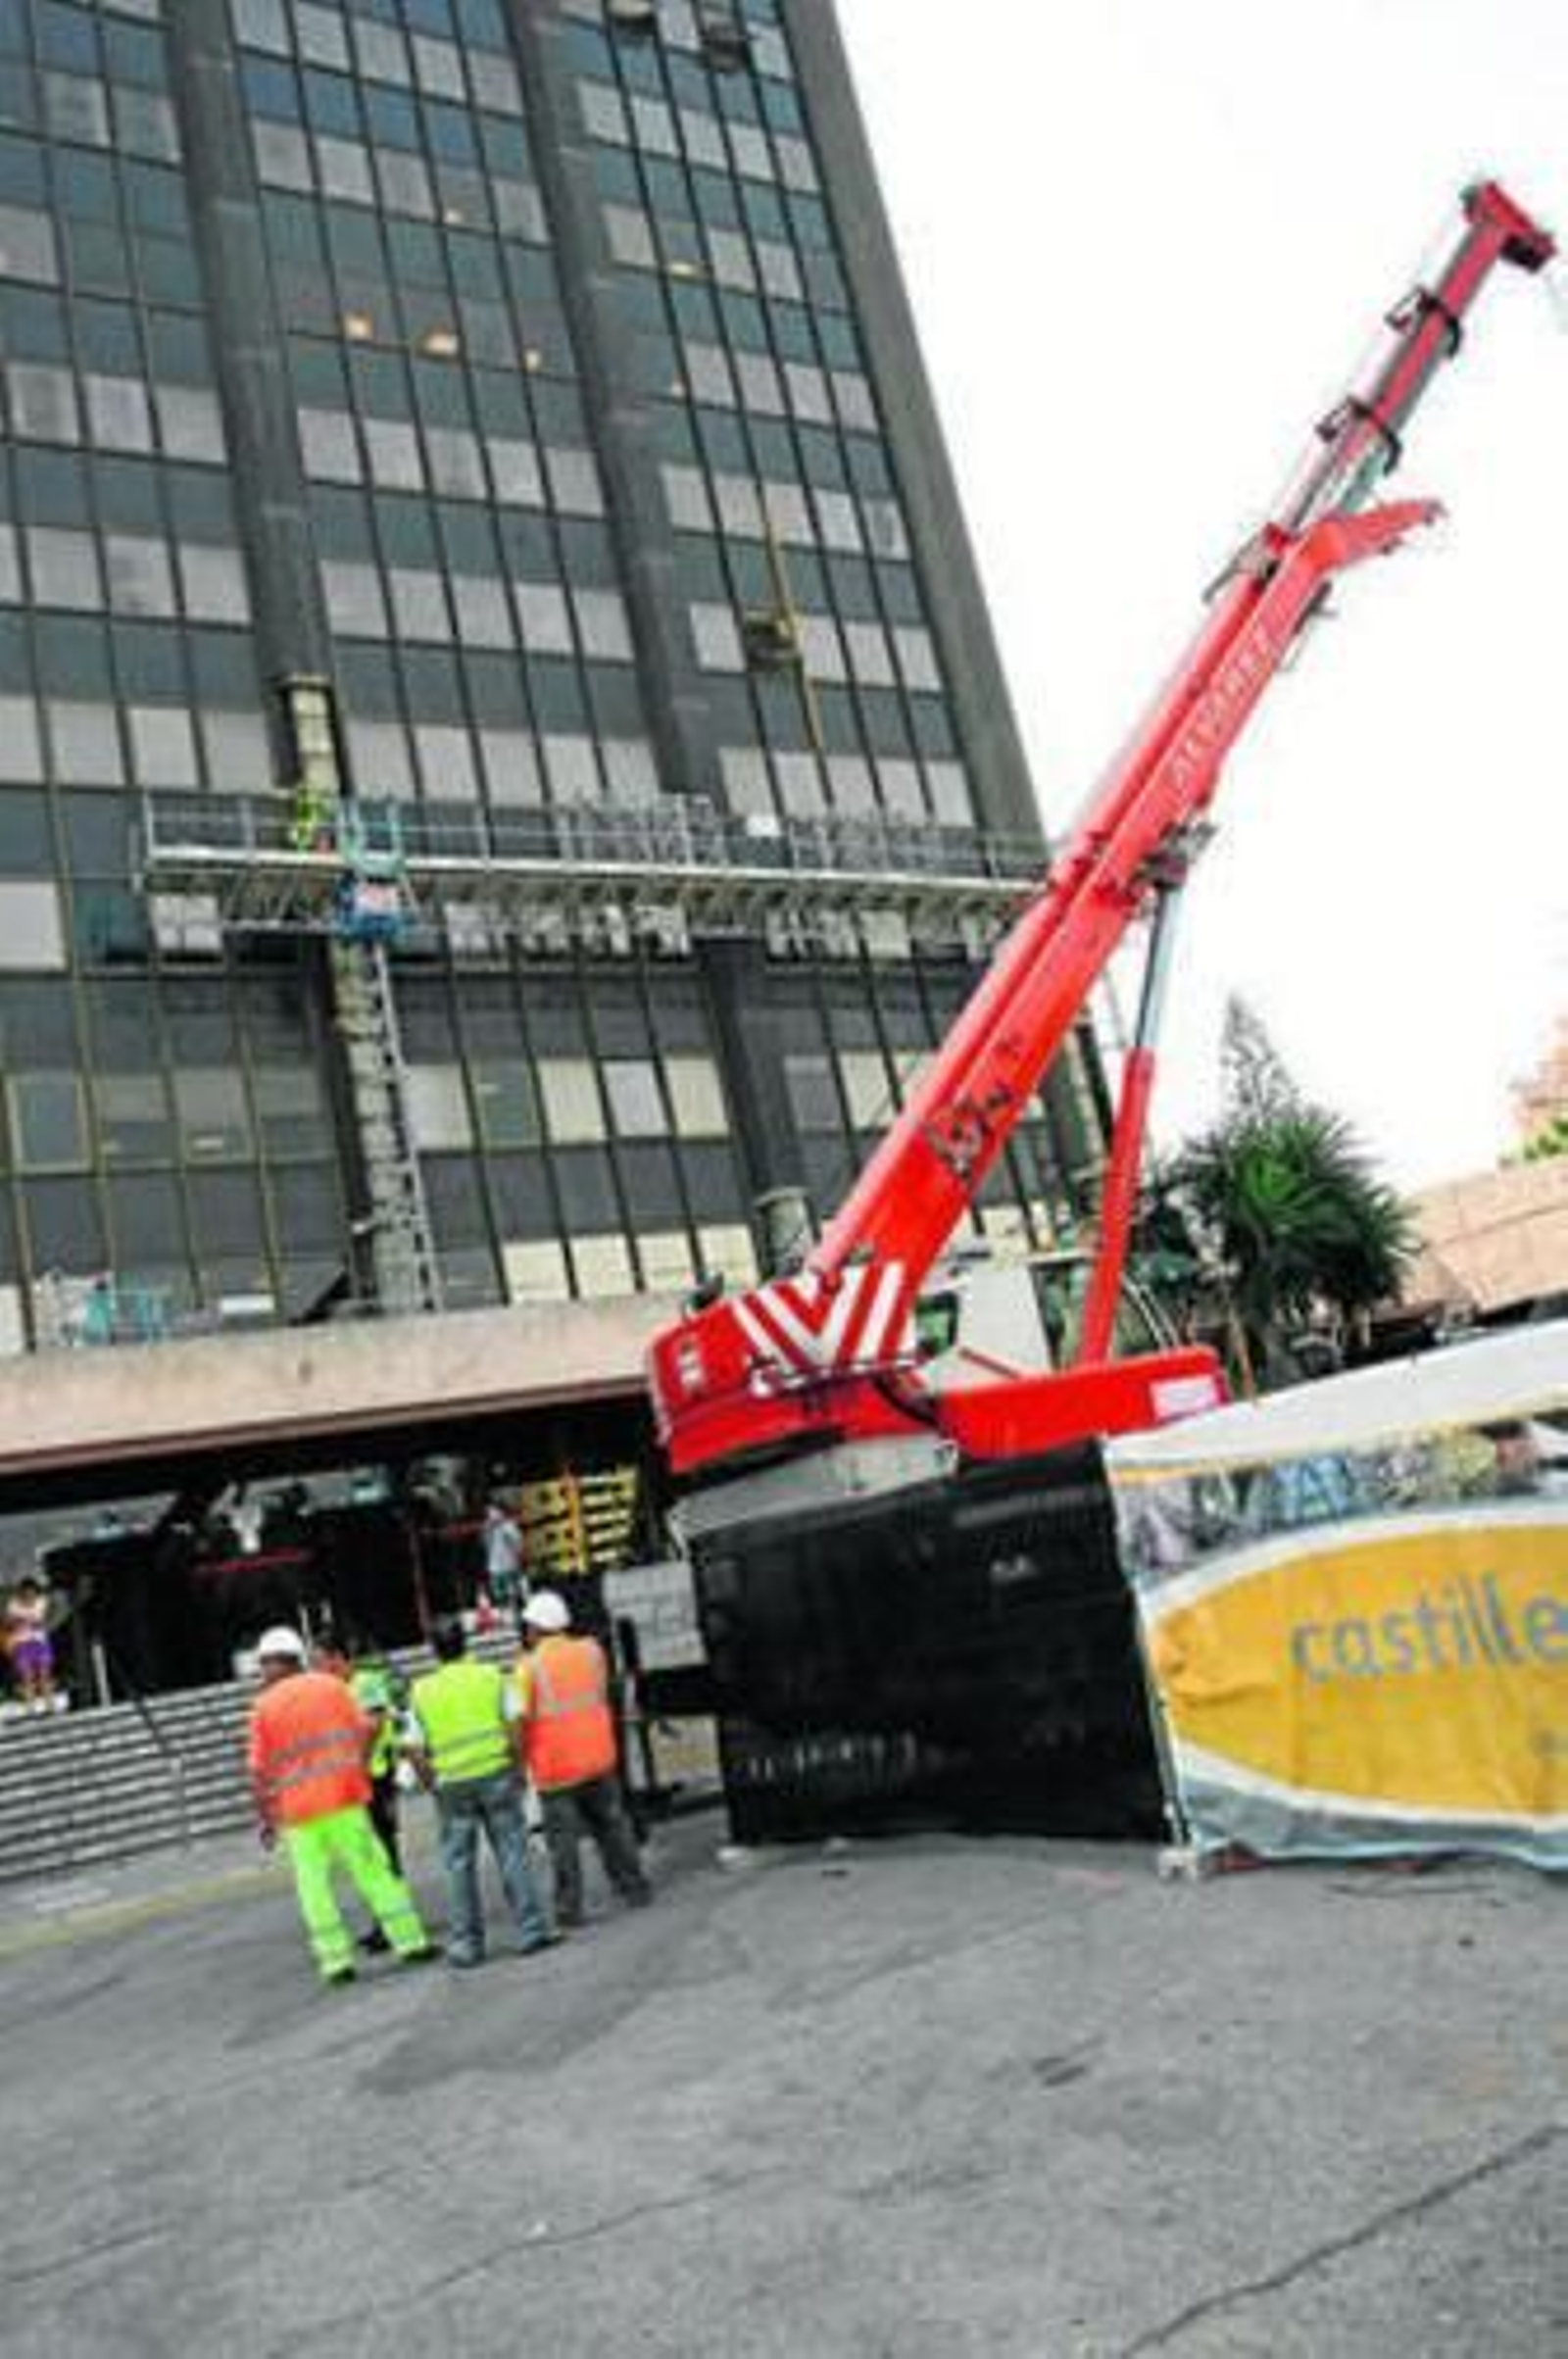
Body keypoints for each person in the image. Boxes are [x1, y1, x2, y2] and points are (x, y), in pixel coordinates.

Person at [247, 1625, 435, 1988]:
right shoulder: (331, 1687)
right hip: (344, 1798)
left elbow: (256, 1771)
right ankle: (411, 1943)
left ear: (274, 1664)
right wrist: (358, 1767)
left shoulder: (263, 1707)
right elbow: (367, 1728)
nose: (262, 1673)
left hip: (299, 1814)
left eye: (263, 1665)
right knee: (374, 1872)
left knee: (313, 1887)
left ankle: (336, 1963)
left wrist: (267, 1818)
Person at [409, 1616, 558, 1970]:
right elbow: (515, 1725)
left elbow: (413, 1748)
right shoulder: (492, 1676)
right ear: (466, 1643)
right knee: (512, 1852)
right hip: (496, 1774)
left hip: (452, 1784)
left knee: (458, 1865)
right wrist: (518, 1767)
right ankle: (531, 1929)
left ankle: (467, 1945)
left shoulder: (421, 1690)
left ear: (434, 1651)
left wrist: (431, 1783)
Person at [517, 1590, 651, 1929]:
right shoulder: (593, 1652)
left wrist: (519, 1762)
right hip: (598, 1757)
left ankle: (569, 1910)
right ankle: (634, 1887)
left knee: (563, 1844)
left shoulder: (529, 1667)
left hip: (556, 1768)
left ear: (535, 1628)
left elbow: (521, 1719)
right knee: (613, 1826)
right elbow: (601, 1694)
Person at [5, 1577, 58, 1714]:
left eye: (32, 1592)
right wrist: (18, 1621)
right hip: (22, 1643)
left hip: (40, 1642)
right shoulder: (14, 1605)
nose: (29, 1595)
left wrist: (43, 1623)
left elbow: (48, 1615)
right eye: (26, 1592)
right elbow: (8, 1623)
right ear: (21, 1592)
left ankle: (50, 1705)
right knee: (27, 1677)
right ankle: (31, 1708)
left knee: (44, 1675)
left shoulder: (42, 1602)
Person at [483, 1499, 525, 1629]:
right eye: (489, 1512)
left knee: (512, 1593)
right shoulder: (488, 1528)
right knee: (498, 1594)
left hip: (509, 1566)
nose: (491, 1515)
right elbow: (485, 1545)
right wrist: (488, 1530)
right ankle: (503, 1617)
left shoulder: (509, 1526)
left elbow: (518, 1545)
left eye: (493, 1511)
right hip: (494, 1567)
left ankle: (515, 1618)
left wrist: (517, 1559)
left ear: (501, 1512)